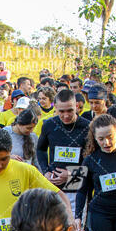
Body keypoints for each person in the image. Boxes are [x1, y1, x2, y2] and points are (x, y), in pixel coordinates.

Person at [76, 114, 116, 231]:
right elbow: (80, 189)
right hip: (100, 214)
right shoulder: (89, 159)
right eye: (101, 139)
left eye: (110, 137)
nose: (106, 143)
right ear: (95, 138)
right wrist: (78, 216)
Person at [37, 88, 90, 216]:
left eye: (70, 110)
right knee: (54, 229)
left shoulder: (87, 127)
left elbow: (94, 160)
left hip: (77, 186)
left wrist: (72, 174)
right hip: (54, 184)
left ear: (76, 106)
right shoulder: (49, 125)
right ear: (55, 107)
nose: (66, 115)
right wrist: (46, 171)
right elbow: (40, 149)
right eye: (61, 111)